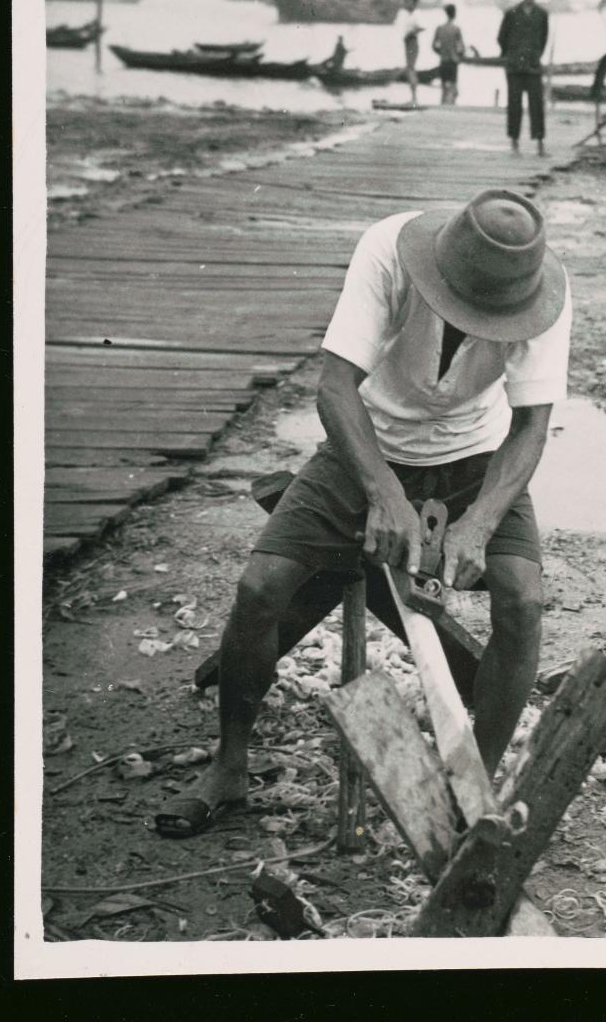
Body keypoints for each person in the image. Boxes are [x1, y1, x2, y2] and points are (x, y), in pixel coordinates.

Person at [154, 189, 571, 837]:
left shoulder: (541, 294)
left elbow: (531, 425)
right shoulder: (388, 249)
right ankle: (229, 767)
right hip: (366, 445)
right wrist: (383, 495)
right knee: (259, 587)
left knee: (521, 601)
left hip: (475, 456)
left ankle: (472, 784)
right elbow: (333, 386)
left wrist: (478, 523)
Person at [497, 0, 550, 155]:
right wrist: (512, 54)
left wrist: (534, 55)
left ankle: (540, 144)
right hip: (514, 67)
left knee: (537, 105)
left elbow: (544, 39)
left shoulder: (542, 15)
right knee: (514, 105)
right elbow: (501, 38)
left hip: (533, 67)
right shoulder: (511, 13)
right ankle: (514, 142)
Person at [432, 4, 466, 104]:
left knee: (443, 88)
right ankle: (452, 105)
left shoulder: (439, 28)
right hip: (453, 61)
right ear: (454, 14)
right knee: (453, 87)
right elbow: (461, 47)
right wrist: (459, 56)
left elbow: (434, 46)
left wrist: (441, 52)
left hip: (443, 60)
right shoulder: (456, 29)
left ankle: (443, 106)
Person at [396, 0, 424, 106]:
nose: (406, 4)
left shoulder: (416, 14)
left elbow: (421, 27)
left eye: (408, 1)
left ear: (414, 3)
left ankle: (414, 99)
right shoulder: (409, 15)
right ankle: (413, 98)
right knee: (410, 69)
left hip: (412, 42)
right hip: (409, 42)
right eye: (406, 1)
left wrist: (411, 33)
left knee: (410, 69)